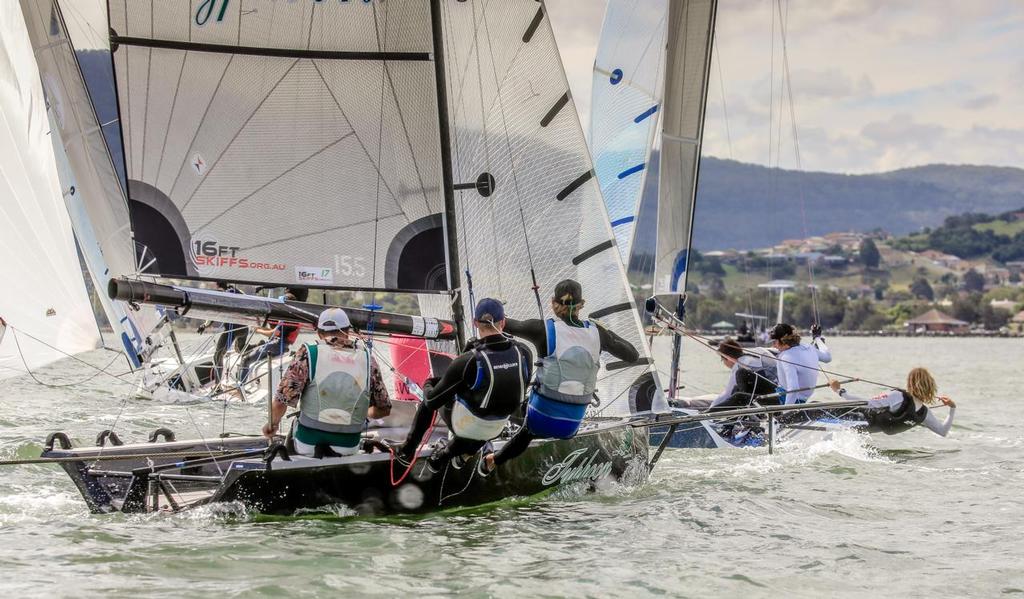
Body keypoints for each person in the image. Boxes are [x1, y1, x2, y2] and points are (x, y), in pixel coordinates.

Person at [480, 279, 641, 475]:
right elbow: (632, 355)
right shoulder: (597, 332)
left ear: (553, 303)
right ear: (581, 305)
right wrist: (603, 331)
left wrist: (490, 310)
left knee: (499, 406)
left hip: (539, 418)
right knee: (530, 428)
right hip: (571, 425)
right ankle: (494, 459)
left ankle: (489, 459)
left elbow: (502, 325)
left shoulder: (542, 330)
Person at [396, 298, 533, 472]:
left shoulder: (469, 359)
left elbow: (432, 401)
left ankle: (407, 451)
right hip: (498, 428)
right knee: (485, 404)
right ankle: (448, 456)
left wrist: (428, 383)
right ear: (504, 322)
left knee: (433, 392)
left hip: (468, 427)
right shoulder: (524, 352)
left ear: (475, 323)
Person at [263, 308, 391, 456]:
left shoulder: (308, 353)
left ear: (319, 333)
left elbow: (281, 401)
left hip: (308, 445)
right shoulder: (368, 359)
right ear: (348, 331)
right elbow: (384, 408)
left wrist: (272, 424)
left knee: (295, 424)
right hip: (349, 446)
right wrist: (358, 414)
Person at [829, 367, 956, 436]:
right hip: (869, 429)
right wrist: (952, 408)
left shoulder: (898, 396)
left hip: (856, 419)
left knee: (814, 405)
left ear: (910, 383)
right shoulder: (924, 413)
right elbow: (943, 431)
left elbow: (866, 403)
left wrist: (839, 390)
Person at [236, 292, 301, 384]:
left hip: (277, 345)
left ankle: (240, 386)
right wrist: (260, 327)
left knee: (245, 359)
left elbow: (275, 333)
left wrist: (258, 331)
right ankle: (240, 383)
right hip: (281, 345)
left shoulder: (288, 318)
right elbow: (277, 331)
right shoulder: (294, 316)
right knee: (247, 356)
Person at [706, 337, 779, 410]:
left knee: (736, 389)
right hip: (776, 390)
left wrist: (711, 407)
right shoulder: (754, 354)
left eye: (722, 360)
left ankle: (711, 414)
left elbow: (727, 393)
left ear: (728, 358)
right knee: (737, 389)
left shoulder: (740, 365)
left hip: (773, 396)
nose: (724, 363)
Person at [196, 281, 247, 384]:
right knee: (240, 349)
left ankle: (217, 386)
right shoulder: (239, 292)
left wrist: (205, 325)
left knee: (218, 356)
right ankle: (257, 345)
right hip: (244, 329)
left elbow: (214, 312)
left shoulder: (222, 295)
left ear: (217, 285)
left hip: (231, 331)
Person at [769, 323, 824, 404]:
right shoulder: (809, 348)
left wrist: (786, 412)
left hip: (788, 400)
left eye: (774, 342)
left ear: (783, 340)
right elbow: (827, 357)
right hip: (803, 399)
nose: (773, 346)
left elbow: (793, 389)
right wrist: (817, 338)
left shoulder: (786, 357)